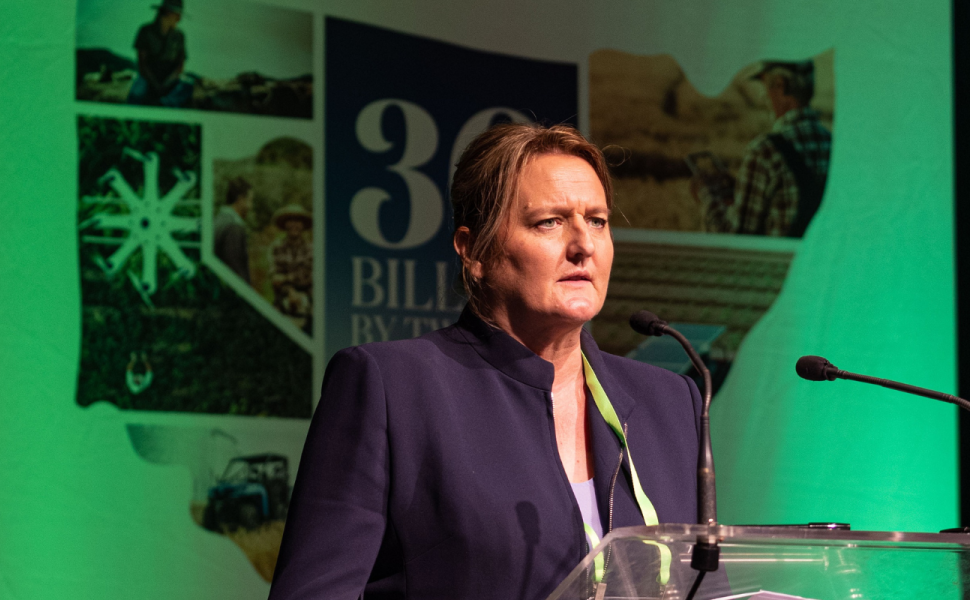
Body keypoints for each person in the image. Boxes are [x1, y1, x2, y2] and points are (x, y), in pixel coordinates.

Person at [268, 124, 705, 599]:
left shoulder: (671, 402)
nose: (584, 245)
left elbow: (706, 579)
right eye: (549, 222)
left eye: (597, 220)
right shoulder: (393, 388)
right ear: (474, 250)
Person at [704, 60, 832, 237]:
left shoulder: (764, 151)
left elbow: (735, 238)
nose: (764, 97)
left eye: (765, 87)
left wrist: (707, 197)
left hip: (780, 256)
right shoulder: (833, 144)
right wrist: (741, 190)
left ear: (780, 85)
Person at [126, 0, 193, 108]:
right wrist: (155, 84)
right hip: (149, 77)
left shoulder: (179, 36)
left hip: (170, 78)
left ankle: (164, 103)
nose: (179, 19)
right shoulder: (146, 31)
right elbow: (142, 64)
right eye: (177, 15)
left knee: (188, 85)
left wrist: (167, 83)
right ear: (168, 13)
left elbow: (180, 65)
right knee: (136, 93)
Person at [268, 204, 313, 328]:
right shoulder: (276, 247)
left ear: (303, 225)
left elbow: (309, 277)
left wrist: (285, 278)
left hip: (308, 303)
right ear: (285, 224)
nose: (294, 225)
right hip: (282, 302)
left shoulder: (311, 249)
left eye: (298, 221)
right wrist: (290, 291)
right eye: (291, 221)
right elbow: (275, 279)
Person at [213, 177, 253, 284]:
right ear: (240, 200)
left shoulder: (219, 219)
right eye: (250, 201)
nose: (251, 206)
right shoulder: (233, 227)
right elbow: (235, 269)